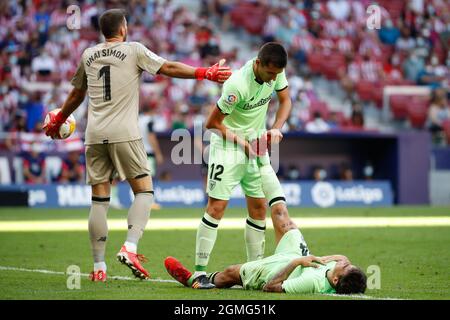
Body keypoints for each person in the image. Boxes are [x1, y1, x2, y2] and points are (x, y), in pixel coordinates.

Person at [43, 8, 232, 282]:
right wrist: (205, 73)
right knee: (144, 191)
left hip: (94, 134)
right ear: (123, 28)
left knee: (99, 200)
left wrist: (60, 116)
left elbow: (77, 93)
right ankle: (130, 247)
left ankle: (98, 268)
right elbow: (168, 67)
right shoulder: (133, 50)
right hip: (124, 132)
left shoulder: (88, 54)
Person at [184, 42, 292, 289]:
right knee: (217, 208)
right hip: (228, 146)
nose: (273, 79)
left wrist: (275, 128)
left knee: (258, 208)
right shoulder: (236, 85)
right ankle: (199, 272)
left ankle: (254, 271)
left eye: (277, 74)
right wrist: (242, 143)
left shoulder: (276, 72)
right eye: (269, 73)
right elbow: (212, 123)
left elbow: (286, 101)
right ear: (258, 64)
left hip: (256, 148)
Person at [164, 203, 367, 295]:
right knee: (281, 215)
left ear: (335, 280)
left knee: (231, 273)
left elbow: (270, 287)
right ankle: (268, 180)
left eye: (346, 266)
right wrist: (320, 258)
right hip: (299, 256)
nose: (344, 261)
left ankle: (192, 280)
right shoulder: (335, 272)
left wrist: (297, 262)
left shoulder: (310, 282)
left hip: (281, 269)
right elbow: (342, 257)